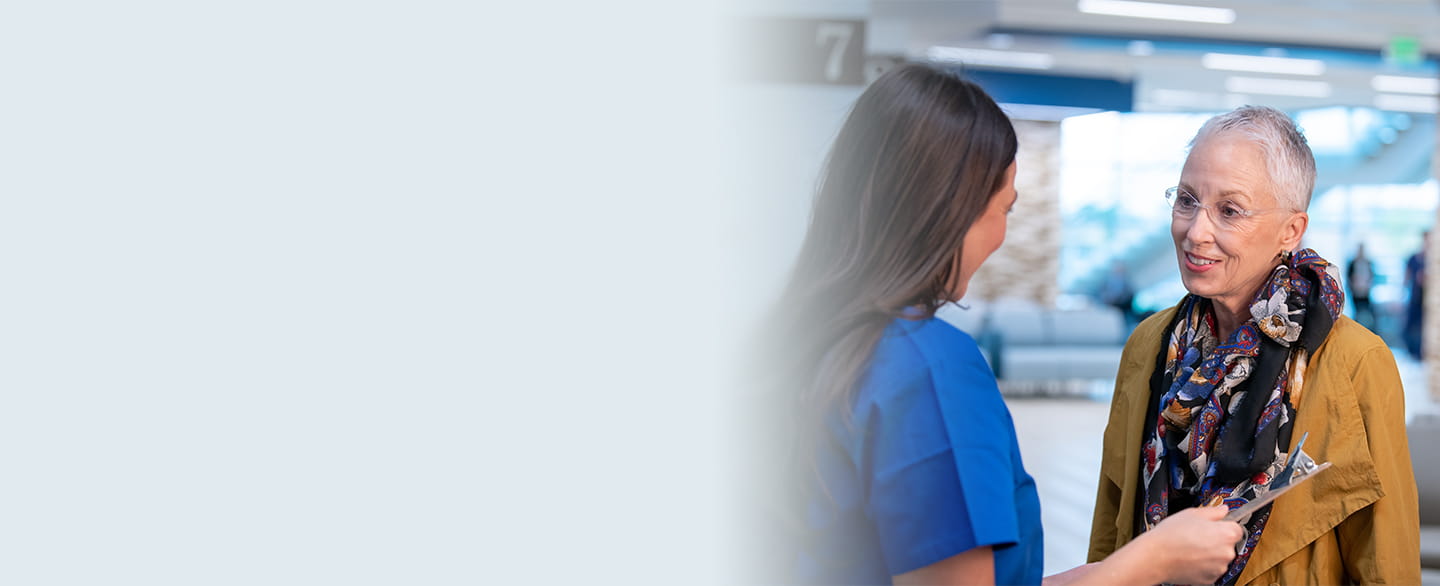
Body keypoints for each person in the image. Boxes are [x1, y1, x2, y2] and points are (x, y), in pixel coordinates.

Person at [763, 63, 1244, 586]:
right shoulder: (930, 371)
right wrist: (1153, 561)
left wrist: (1116, 569)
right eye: (1005, 209)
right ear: (952, 209)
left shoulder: (803, 339)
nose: (1001, 236)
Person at [1086, 106, 1419, 584]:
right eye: (1186, 200)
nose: (1195, 231)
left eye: (1229, 211)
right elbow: (1113, 517)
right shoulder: (1149, 344)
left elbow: (1384, 555)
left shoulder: (1353, 361)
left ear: (1291, 230)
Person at [1405, 231, 1427, 360]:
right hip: (1414, 297)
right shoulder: (1414, 258)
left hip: (1425, 300)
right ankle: (1413, 353)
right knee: (1410, 325)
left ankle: (1419, 353)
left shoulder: (1430, 260)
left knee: (1422, 326)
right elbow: (1407, 277)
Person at [1346, 242, 1376, 331]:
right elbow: (1349, 277)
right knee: (1357, 311)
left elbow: (1372, 276)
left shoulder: (1368, 263)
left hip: (1365, 291)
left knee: (1366, 311)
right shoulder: (1353, 263)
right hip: (1355, 292)